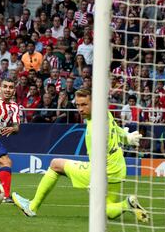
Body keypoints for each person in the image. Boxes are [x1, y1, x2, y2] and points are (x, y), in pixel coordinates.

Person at [12, 88, 149, 223]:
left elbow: (97, 158)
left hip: (104, 171)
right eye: (78, 105)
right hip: (119, 169)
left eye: (84, 105)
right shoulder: (105, 113)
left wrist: (95, 180)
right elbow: (116, 129)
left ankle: (32, 206)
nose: (80, 109)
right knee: (106, 211)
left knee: (55, 164)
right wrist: (127, 137)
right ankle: (127, 204)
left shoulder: (92, 130)